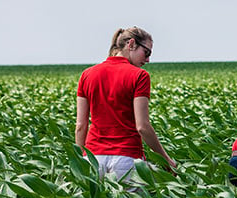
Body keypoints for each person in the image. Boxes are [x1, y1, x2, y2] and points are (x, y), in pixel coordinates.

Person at [75, 26, 177, 185]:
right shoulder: (140, 76)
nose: (148, 59)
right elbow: (142, 126)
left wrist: (81, 159)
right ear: (131, 44)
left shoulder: (87, 75)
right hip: (126, 159)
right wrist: (166, 159)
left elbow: (81, 126)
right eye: (147, 52)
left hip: (93, 159)